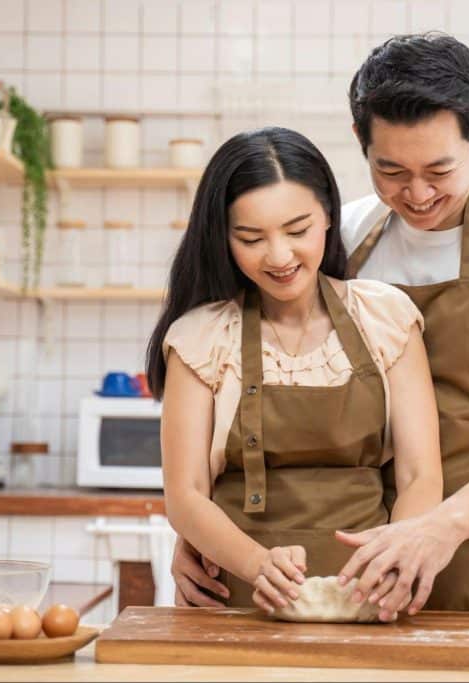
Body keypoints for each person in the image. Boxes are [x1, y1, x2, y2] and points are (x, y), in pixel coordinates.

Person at [171, 34, 469, 631]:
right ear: (361, 144)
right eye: (391, 170)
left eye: (440, 169)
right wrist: (210, 535)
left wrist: (439, 526)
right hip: (362, 562)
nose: (418, 194)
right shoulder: (343, 233)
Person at [146, 126, 443, 614]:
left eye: (297, 230)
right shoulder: (200, 338)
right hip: (236, 600)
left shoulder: (386, 318)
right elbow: (186, 494)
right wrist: (258, 565)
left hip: (369, 596)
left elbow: (419, 474)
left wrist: (392, 559)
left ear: (328, 214)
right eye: (251, 238)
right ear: (223, 237)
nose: (280, 256)